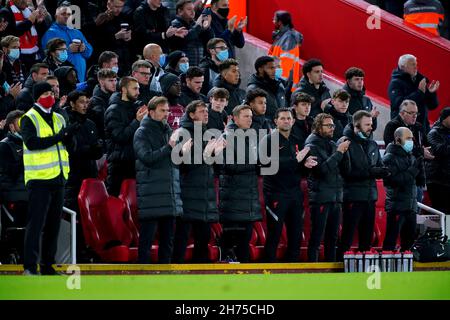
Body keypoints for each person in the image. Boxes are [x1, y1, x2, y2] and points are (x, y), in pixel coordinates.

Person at [20, 81, 77, 275]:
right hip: (39, 179)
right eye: (45, 92)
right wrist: (60, 137)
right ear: (37, 96)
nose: (50, 95)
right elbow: (32, 143)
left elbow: (69, 146)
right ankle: (29, 266)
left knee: (54, 225)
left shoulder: (60, 117)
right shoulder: (29, 118)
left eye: (51, 92)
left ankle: (47, 265)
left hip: (59, 177)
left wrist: (69, 137)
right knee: (36, 224)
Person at [260, 108, 317, 262]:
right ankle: (268, 269)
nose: (286, 121)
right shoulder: (268, 140)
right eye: (283, 118)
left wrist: (306, 164)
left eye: (289, 118)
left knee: (296, 233)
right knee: (275, 233)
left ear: (293, 121)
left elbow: (297, 165)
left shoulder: (296, 139)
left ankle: (293, 269)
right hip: (276, 193)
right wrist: (296, 160)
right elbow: (267, 165)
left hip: (295, 193)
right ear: (275, 121)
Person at [172, 100, 224, 263]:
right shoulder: (182, 133)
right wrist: (207, 155)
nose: (206, 113)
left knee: (204, 237)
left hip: (205, 193)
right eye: (202, 111)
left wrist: (215, 155)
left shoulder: (207, 133)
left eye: (206, 111)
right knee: (182, 237)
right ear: (192, 114)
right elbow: (181, 166)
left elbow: (210, 165)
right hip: (187, 193)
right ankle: (175, 273)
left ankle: (201, 273)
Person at [134, 96, 183, 264]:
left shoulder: (168, 130)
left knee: (168, 239)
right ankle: (143, 273)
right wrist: (169, 147)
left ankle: (166, 273)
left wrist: (181, 151)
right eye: (163, 111)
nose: (167, 114)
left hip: (169, 193)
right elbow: (146, 157)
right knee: (147, 239)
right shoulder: (142, 132)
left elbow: (172, 159)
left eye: (168, 111)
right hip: (151, 194)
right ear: (151, 111)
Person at [338, 111, 390, 256]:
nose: (370, 128)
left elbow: (379, 166)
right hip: (352, 196)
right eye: (367, 124)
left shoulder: (373, 144)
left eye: (371, 124)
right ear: (356, 125)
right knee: (347, 237)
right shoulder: (345, 142)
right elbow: (346, 172)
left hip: (370, 197)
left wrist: (382, 171)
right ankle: (341, 268)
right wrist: (371, 172)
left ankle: (364, 269)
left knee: (366, 238)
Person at [305, 113, 350, 262]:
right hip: (321, 198)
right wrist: (338, 152)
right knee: (317, 237)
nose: (332, 128)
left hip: (336, 197)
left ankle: (331, 271)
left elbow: (346, 170)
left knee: (333, 238)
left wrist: (344, 152)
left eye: (333, 125)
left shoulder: (331, 144)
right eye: (328, 125)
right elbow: (322, 171)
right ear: (318, 127)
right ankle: (313, 271)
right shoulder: (311, 146)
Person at [219, 104, 261, 262]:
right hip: (233, 198)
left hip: (248, 197)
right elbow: (228, 165)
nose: (250, 119)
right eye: (246, 116)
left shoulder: (251, 137)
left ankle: (245, 276)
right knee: (233, 240)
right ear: (235, 118)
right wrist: (256, 164)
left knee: (246, 238)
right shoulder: (226, 137)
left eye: (251, 116)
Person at [382, 127, 424, 251]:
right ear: (398, 140)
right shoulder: (389, 157)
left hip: (410, 206)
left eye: (412, 138)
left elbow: (415, 180)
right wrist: (414, 170)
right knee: (391, 239)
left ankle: (407, 267)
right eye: (408, 138)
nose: (411, 141)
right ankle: (386, 267)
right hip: (397, 207)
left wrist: (420, 169)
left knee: (409, 242)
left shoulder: (410, 156)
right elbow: (394, 180)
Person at [104, 76, 148, 196]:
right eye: (134, 89)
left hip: (135, 162)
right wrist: (137, 121)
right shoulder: (113, 110)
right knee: (117, 202)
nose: (138, 92)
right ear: (123, 89)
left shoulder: (136, 108)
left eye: (138, 89)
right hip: (119, 165)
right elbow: (120, 136)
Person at [65, 91, 103, 212]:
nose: (85, 105)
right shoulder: (67, 123)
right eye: (82, 102)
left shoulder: (90, 124)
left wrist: (98, 149)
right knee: (74, 210)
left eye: (87, 102)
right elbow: (72, 149)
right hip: (74, 175)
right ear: (72, 103)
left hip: (91, 173)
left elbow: (96, 149)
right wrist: (91, 148)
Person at [388, 54, 439, 134]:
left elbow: (433, 106)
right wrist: (419, 92)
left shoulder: (420, 80)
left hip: (423, 128)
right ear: (402, 67)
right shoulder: (395, 83)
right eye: (412, 64)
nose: (416, 67)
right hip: (403, 130)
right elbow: (399, 104)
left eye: (416, 64)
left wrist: (431, 93)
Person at [41, 4, 94, 81]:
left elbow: (89, 52)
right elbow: (47, 54)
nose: (66, 16)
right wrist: (68, 49)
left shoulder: (77, 32)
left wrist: (84, 48)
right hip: (62, 75)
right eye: (63, 14)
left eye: (69, 14)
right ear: (56, 16)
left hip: (80, 74)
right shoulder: (50, 32)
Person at [0, 110, 27, 226]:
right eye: (21, 123)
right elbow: (10, 171)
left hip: (28, 193)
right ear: (11, 126)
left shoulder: (29, 144)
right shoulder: (4, 145)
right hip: (13, 195)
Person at [5, 0, 51, 70]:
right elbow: (11, 34)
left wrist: (40, 22)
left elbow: (40, 34)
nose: (24, 1)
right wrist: (29, 22)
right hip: (17, 56)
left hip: (34, 54)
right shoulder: (6, 11)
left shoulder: (29, 11)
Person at [94, 0, 135, 76]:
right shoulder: (101, 18)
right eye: (116, 6)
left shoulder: (125, 17)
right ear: (109, 5)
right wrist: (116, 37)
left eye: (121, 7)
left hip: (125, 57)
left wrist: (129, 36)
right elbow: (97, 41)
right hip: (109, 58)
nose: (119, 9)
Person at [170, 0, 214, 66]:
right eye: (189, 9)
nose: (193, 12)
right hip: (182, 65)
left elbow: (210, 40)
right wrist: (198, 26)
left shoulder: (195, 24)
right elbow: (187, 37)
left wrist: (207, 28)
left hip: (198, 64)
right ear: (180, 11)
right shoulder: (175, 24)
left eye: (193, 9)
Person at [269, 10, 303, 89]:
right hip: (280, 81)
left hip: (283, 84)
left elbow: (286, 65)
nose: (273, 21)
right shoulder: (283, 36)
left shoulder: (289, 38)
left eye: (274, 19)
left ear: (280, 22)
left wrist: (277, 81)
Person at [247, 56, 287, 123]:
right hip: (264, 129)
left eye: (274, 67)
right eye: (271, 68)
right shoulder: (253, 89)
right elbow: (252, 114)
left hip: (280, 128)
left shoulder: (280, 85)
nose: (274, 71)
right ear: (260, 70)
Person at [426, 107, 450, 215]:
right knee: (440, 212)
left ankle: (448, 231)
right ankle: (442, 232)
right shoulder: (434, 133)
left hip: (447, 179)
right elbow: (439, 149)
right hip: (437, 180)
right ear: (445, 118)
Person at [343, 67, 379, 131]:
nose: (360, 82)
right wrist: (368, 117)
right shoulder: (342, 98)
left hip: (366, 139)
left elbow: (373, 128)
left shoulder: (366, 100)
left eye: (362, 79)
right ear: (349, 81)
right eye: (357, 79)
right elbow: (345, 122)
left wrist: (373, 118)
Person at [87, 69, 118, 140]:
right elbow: (103, 123)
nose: (114, 84)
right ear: (101, 82)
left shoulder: (116, 96)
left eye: (115, 80)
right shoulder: (96, 101)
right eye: (110, 81)